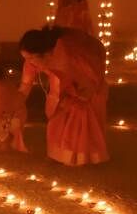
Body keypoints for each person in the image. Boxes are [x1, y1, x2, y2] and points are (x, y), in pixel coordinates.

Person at [19, 26, 109, 166]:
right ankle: (58, 155)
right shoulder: (33, 60)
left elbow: (89, 80)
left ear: (46, 53)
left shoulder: (69, 55)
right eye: (25, 58)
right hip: (65, 86)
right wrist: (15, 104)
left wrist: (81, 94)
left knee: (80, 123)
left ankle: (81, 158)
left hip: (86, 86)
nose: (29, 62)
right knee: (57, 119)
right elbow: (25, 85)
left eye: (31, 57)